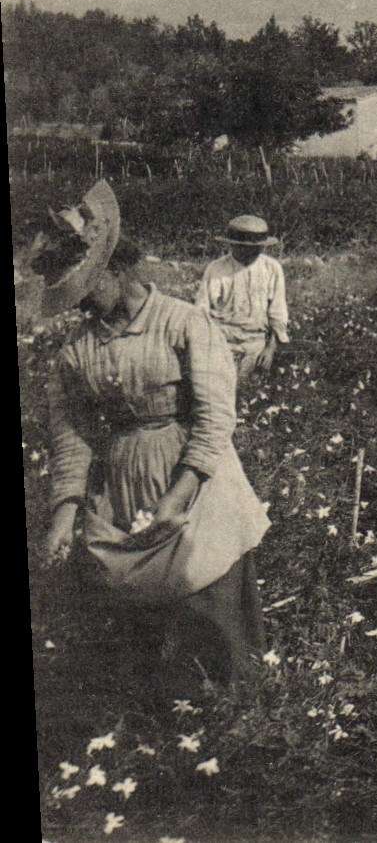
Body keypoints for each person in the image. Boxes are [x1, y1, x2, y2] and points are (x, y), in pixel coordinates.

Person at [32, 181, 270, 686]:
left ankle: (239, 728)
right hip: (125, 484)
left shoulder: (183, 323)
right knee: (139, 628)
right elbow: (71, 434)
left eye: (86, 289)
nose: (81, 306)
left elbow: (214, 419)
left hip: (197, 482)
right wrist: (64, 512)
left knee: (211, 605)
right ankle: (164, 732)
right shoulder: (76, 351)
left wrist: (179, 495)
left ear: (116, 268)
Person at [195, 214, 290, 381]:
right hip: (221, 345)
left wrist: (270, 350)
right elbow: (200, 313)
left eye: (257, 247)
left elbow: (278, 314)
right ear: (233, 245)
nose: (251, 252)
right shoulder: (216, 269)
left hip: (256, 346)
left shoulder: (272, 268)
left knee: (251, 396)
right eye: (244, 247)